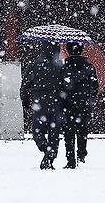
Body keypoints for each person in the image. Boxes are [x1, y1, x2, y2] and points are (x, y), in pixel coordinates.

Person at [21, 41, 64, 170]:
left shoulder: (36, 64)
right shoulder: (59, 66)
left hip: (39, 102)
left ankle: (45, 148)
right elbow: (65, 85)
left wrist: (25, 100)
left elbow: (25, 84)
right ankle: (50, 157)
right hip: (56, 102)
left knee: (37, 130)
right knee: (54, 132)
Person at [61, 42, 98, 169]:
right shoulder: (89, 67)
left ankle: (70, 159)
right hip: (84, 103)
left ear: (68, 51)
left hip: (68, 103)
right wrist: (91, 99)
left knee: (68, 132)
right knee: (82, 129)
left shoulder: (64, 68)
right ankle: (81, 153)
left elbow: (60, 86)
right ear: (82, 50)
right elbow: (94, 87)